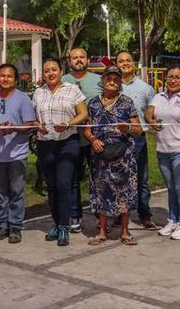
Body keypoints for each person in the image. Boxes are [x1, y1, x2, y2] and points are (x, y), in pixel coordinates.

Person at [33, 58, 88, 246]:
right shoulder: (38, 93)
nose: (50, 73)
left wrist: (67, 124)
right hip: (46, 143)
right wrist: (37, 125)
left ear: (60, 70)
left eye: (54, 69)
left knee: (64, 184)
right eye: (47, 70)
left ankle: (65, 226)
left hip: (67, 142)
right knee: (52, 186)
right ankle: (55, 224)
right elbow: (33, 118)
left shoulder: (72, 89)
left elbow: (83, 114)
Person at [84, 66, 141, 246]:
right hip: (100, 155)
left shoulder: (127, 102)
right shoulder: (93, 103)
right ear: (102, 81)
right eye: (109, 78)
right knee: (101, 191)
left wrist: (128, 128)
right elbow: (87, 128)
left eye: (116, 79)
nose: (112, 82)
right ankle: (101, 231)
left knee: (124, 191)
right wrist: (92, 139)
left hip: (123, 156)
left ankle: (125, 231)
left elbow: (138, 129)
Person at [145, 64, 180, 240]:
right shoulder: (158, 97)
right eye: (170, 77)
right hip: (163, 149)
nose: (173, 80)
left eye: (177, 77)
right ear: (165, 78)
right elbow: (148, 113)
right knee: (171, 188)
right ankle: (173, 220)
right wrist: (151, 121)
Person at [0, 64, 37, 243]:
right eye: (2, 76)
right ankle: (2, 225)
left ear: (15, 80)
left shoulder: (23, 99)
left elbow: (30, 123)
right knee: (0, 192)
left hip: (17, 154)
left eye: (9, 76)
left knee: (16, 191)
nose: (5, 79)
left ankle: (15, 226)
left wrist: (14, 128)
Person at [61, 47, 103, 233]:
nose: (78, 60)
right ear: (69, 61)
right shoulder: (62, 81)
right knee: (72, 178)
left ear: (87, 60)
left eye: (81, 57)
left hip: (95, 137)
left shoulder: (98, 80)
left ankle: (101, 214)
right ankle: (75, 215)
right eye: (74, 58)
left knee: (99, 177)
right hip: (70, 137)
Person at [116, 51, 157, 230]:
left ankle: (144, 214)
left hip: (138, 138)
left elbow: (152, 114)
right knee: (118, 178)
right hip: (116, 139)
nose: (125, 63)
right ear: (117, 64)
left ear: (134, 63)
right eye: (121, 61)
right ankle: (120, 214)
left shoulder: (146, 88)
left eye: (128, 61)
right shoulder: (111, 85)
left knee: (141, 179)